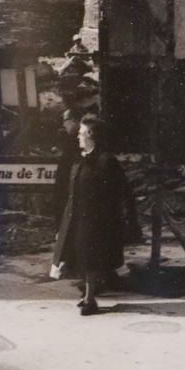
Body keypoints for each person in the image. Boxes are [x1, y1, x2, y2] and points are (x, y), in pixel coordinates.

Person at [52, 114, 135, 316]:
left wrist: (116, 220)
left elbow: (121, 192)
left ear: (91, 135)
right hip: (77, 218)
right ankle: (89, 295)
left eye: (81, 133)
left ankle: (90, 299)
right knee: (80, 257)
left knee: (90, 259)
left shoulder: (106, 161)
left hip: (97, 221)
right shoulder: (80, 159)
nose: (78, 136)